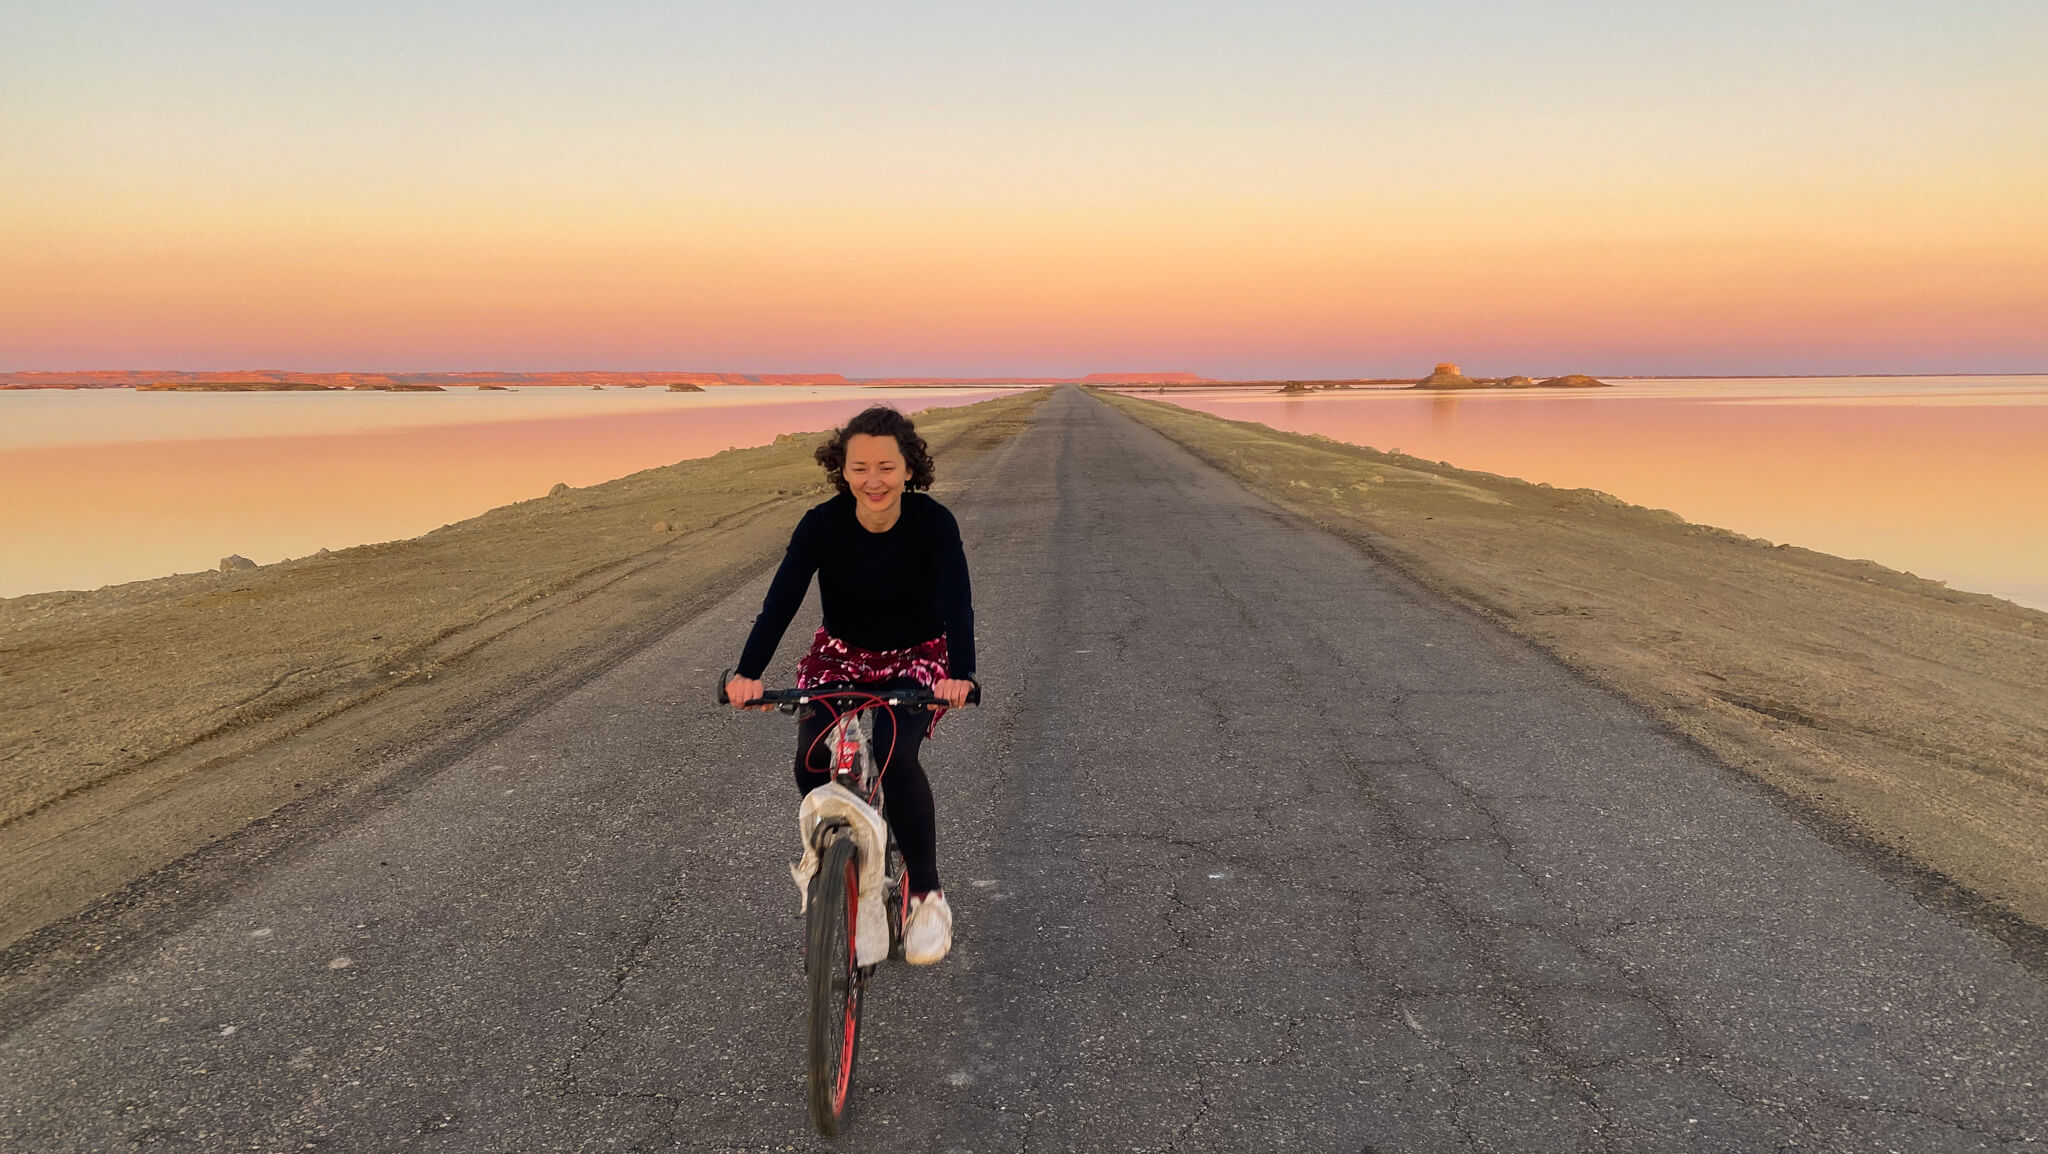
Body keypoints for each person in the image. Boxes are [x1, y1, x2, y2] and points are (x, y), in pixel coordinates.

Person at [724, 406, 975, 965]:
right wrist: (747, 672)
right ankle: (835, 863)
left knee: (890, 751)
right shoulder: (822, 524)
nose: (874, 480)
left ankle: (925, 894)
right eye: (860, 468)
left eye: (887, 467)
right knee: (810, 757)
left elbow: (958, 602)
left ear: (910, 467)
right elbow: (781, 600)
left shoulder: (934, 523)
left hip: (917, 658)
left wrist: (961, 673)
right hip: (838, 657)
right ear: (843, 470)